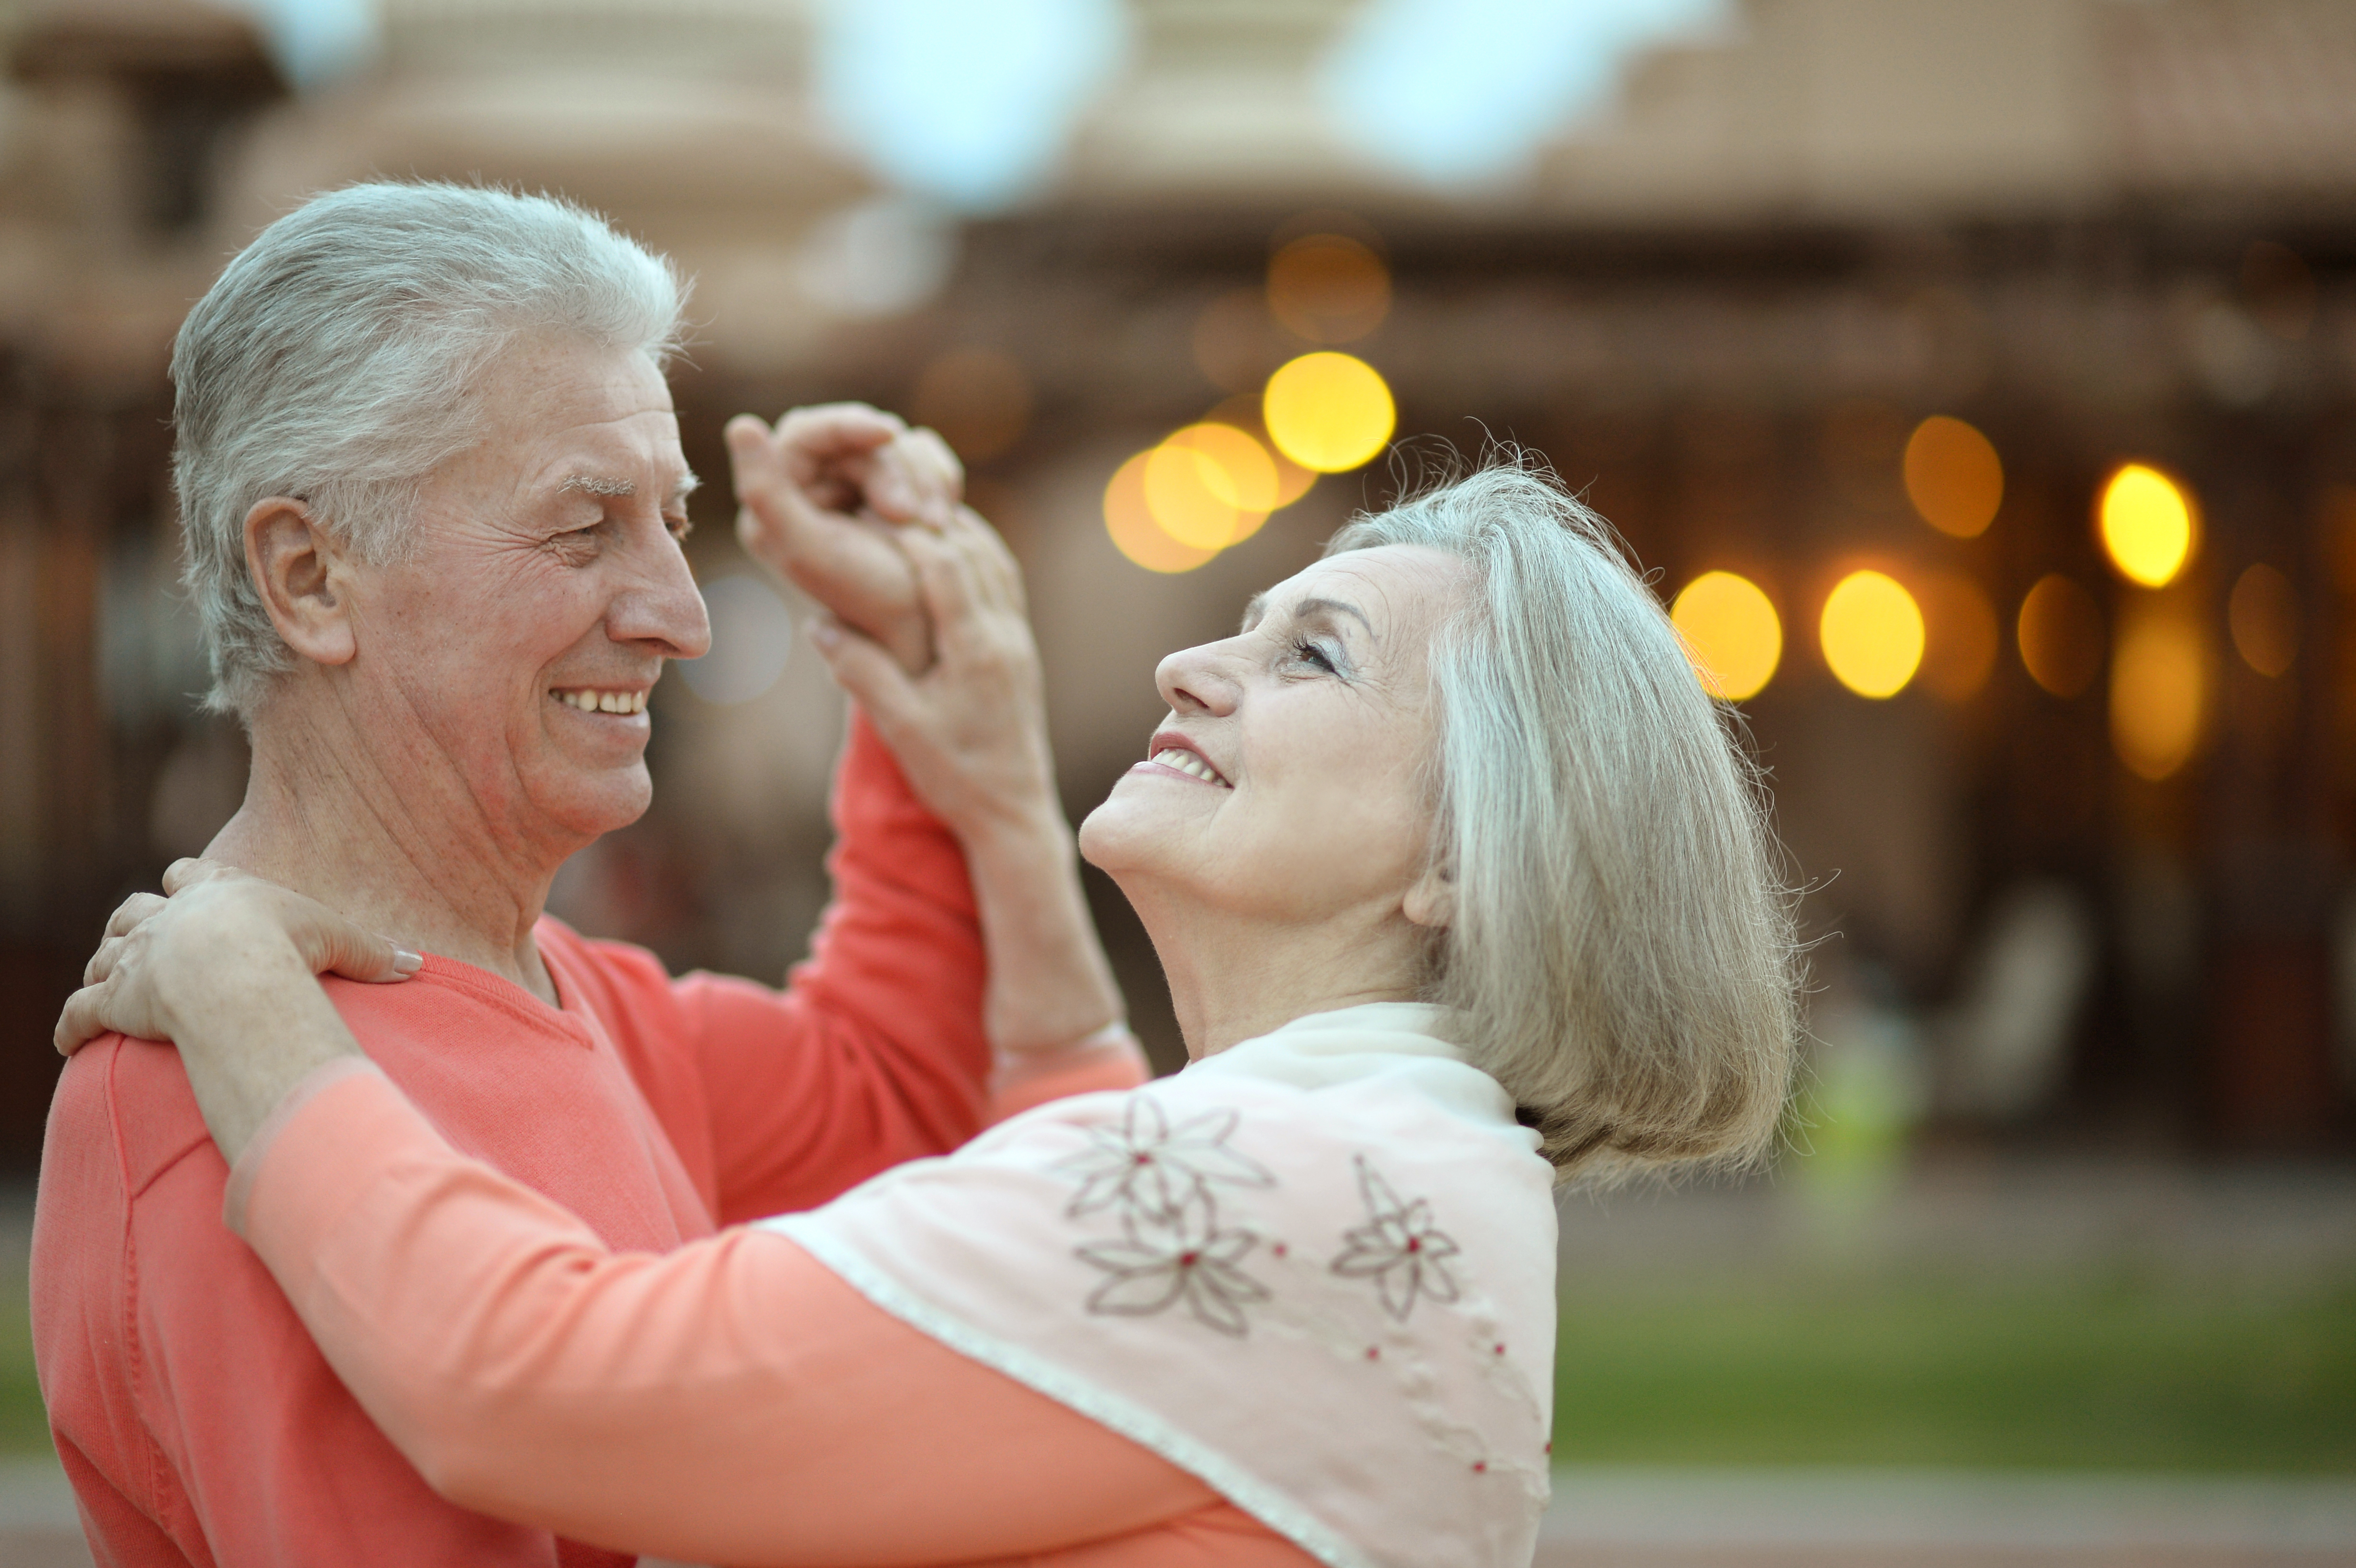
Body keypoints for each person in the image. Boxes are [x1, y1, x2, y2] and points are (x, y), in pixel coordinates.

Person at [64, 466, 1803, 1568]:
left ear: (1460, 858)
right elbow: (1075, 1204)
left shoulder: (1283, 1196)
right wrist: (986, 785)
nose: (1196, 665)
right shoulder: (1377, 1170)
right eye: (1242, 627)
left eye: (1314, 658)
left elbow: (532, 1389)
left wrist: (246, 996)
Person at [32, 181, 1140, 1568]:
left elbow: (914, 1102)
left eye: (673, 522)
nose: (679, 617)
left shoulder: (577, 996)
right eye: (583, 529)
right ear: (311, 579)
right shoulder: (211, 1097)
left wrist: (930, 673)